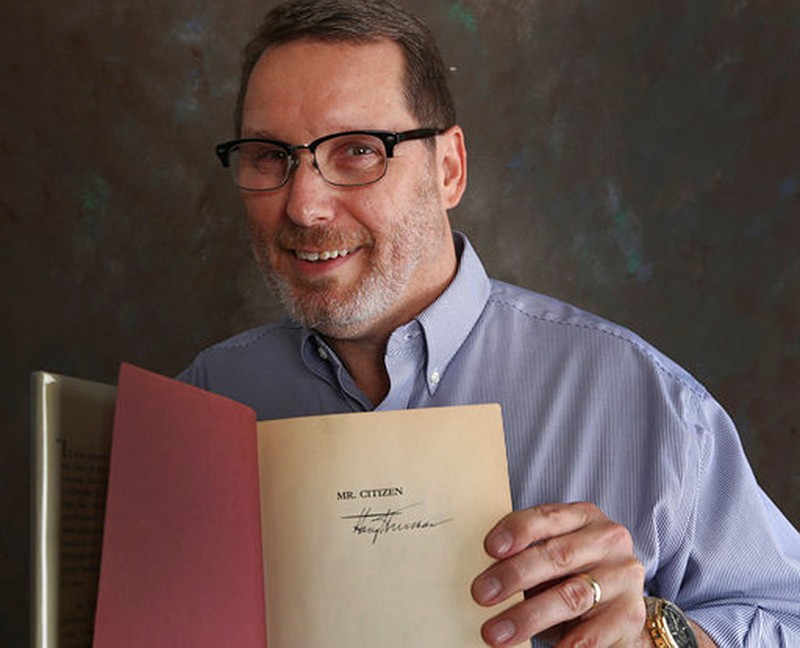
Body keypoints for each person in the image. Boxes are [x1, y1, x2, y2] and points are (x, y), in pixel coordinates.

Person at [178, 0, 800, 645]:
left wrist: (662, 636)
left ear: (449, 168)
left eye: (359, 151)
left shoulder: (650, 403)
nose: (304, 205)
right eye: (268, 156)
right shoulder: (201, 401)